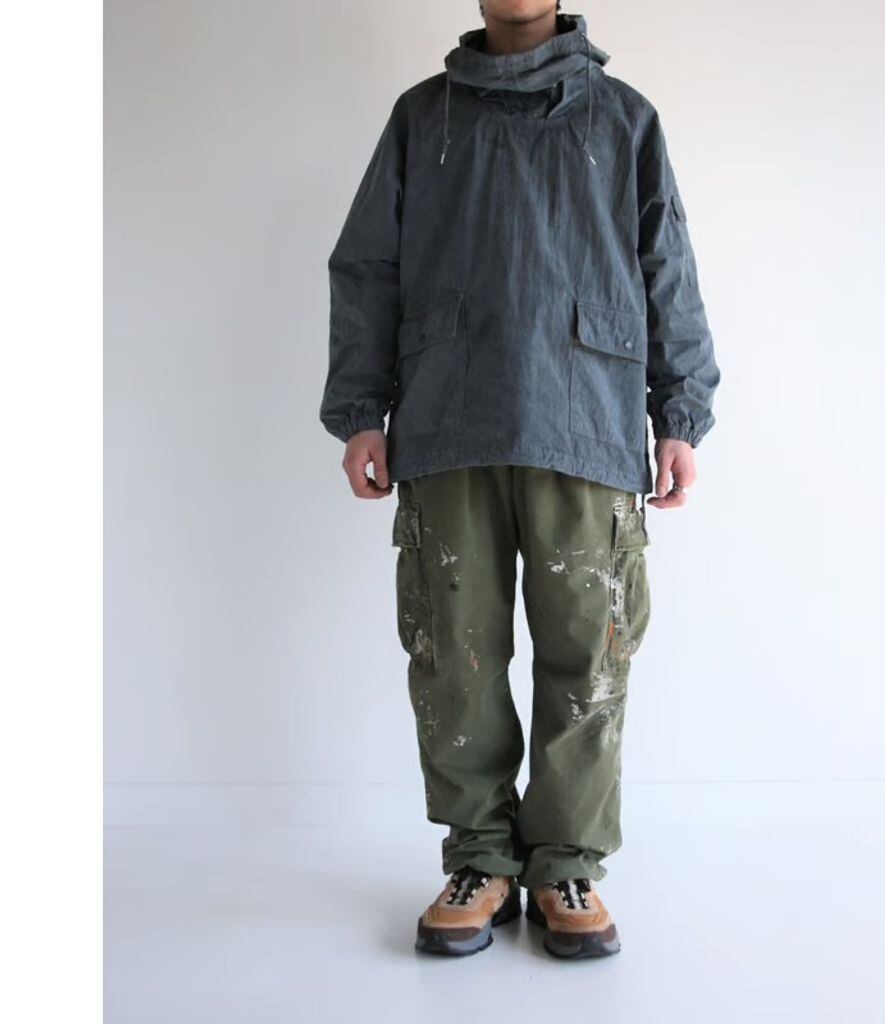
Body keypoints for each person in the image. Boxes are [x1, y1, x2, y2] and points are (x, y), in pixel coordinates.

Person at [320, 1, 719, 960]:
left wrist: (681, 411)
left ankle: (567, 861)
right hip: (449, 414)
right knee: (452, 651)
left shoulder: (623, 119)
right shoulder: (423, 118)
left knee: (590, 652)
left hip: (586, 417)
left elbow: (666, 264)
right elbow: (369, 265)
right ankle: (480, 858)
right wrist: (361, 408)